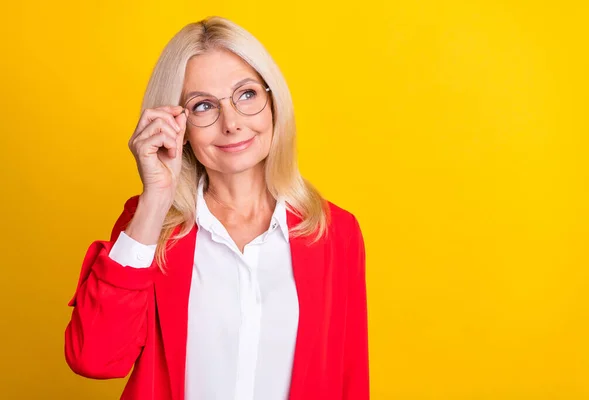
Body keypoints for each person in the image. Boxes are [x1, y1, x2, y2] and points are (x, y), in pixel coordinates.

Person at [64, 16, 369, 400]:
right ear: (177, 126)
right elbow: (95, 359)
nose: (232, 123)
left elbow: (349, 378)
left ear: (273, 101)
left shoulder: (333, 231)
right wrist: (156, 197)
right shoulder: (148, 227)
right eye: (204, 105)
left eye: (246, 95)